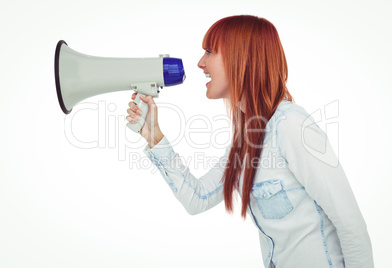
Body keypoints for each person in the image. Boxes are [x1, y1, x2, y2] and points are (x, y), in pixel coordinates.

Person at [126, 15, 374, 268]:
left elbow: (350, 225)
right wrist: (153, 135)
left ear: (241, 56)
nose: (201, 63)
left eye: (210, 52)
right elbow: (197, 198)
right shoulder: (247, 137)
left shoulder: (292, 125)